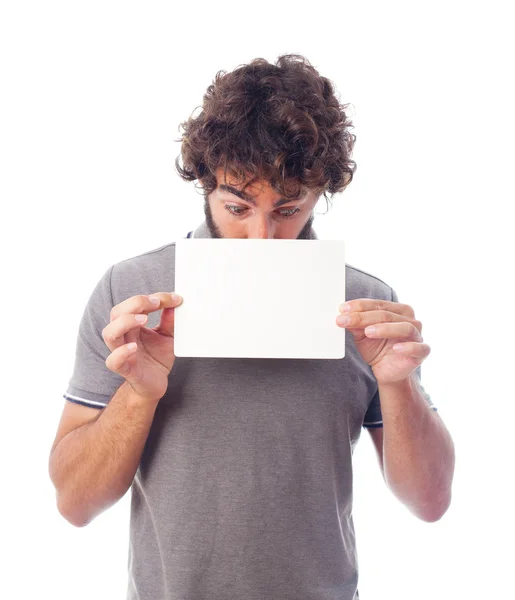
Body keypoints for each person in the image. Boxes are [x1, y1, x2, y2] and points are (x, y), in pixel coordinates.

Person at [48, 54, 455, 600]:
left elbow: (430, 502)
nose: (263, 237)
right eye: (238, 207)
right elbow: (74, 505)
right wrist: (139, 394)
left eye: (288, 209)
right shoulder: (131, 290)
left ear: (320, 194)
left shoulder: (366, 303)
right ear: (204, 183)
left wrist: (397, 383)